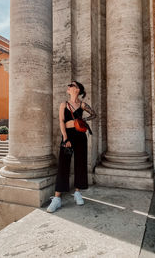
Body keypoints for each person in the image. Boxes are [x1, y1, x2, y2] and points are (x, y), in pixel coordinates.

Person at [47, 80, 97, 213]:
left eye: (72, 85)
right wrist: (65, 138)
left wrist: (83, 120)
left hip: (80, 136)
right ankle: (57, 198)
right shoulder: (64, 104)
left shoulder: (82, 105)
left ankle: (77, 192)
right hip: (68, 135)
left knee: (80, 163)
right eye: (69, 85)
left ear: (78, 90)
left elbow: (94, 114)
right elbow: (62, 121)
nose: (68, 86)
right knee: (64, 164)